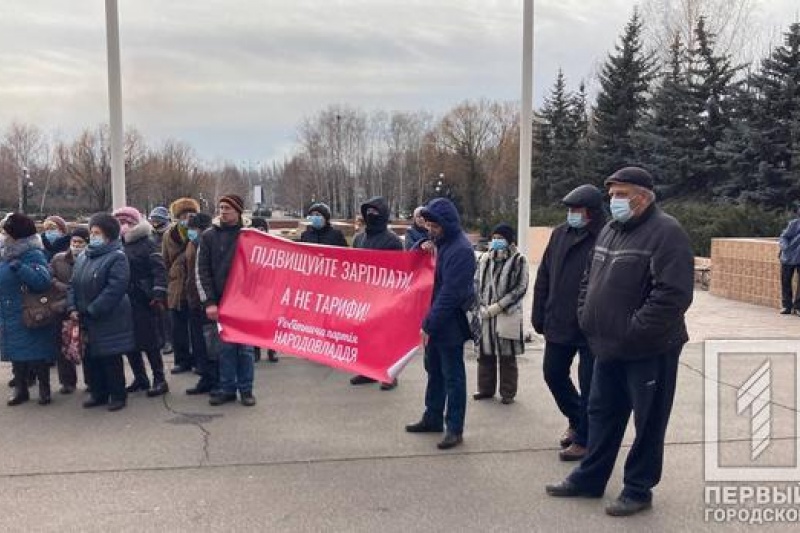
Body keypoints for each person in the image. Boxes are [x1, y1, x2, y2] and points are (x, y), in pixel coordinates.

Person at [545, 167, 694, 517]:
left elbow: (673, 295)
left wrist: (632, 330)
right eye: (611, 195)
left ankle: (638, 488)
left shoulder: (666, 232)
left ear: (643, 196)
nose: (614, 202)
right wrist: (586, 316)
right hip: (606, 345)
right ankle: (590, 478)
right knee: (601, 413)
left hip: (649, 348)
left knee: (648, 420)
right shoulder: (611, 230)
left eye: (621, 195)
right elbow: (588, 279)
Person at [533, 184, 606, 462]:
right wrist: (539, 313)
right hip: (559, 321)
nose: (572, 215)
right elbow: (545, 276)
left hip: (590, 326)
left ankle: (585, 439)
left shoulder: (605, 236)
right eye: (569, 210)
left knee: (590, 386)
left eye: (577, 210)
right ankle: (577, 419)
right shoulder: (559, 234)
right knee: (553, 374)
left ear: (592, 211)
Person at [405, 198, 476, 450]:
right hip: (434, 319)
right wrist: (419, 246)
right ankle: (432, 416)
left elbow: (450, 294)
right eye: (428, 226)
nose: (430, 230)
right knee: (434, 370)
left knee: (452, 376)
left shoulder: (461, 250)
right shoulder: (439, 244)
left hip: (450, 323)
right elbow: (413, 267)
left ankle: (454, 427)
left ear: (446, 224)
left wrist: (428, 325)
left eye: (434, 226)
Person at [68, 213, 135, 412]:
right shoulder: (84, 256)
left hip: (108, 317)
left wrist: (93, 309)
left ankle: (117, 394)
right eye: (92, 232)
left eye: (97, 233)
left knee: (110, 358)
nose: (93, 236)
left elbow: (115, 288)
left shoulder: (117, 257)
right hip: (85, 317)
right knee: (91, 358)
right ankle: (98, 392)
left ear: (108, 234)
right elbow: (73, 284)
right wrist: (72, 308)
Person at [196, 194, 257, 407]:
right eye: (221, 207)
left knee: (246, 349)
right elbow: (201, 271)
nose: (223, 211)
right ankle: (227, 388)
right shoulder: (209, 237)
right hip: (221, 302)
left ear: (238, 211)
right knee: (225, 348)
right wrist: (209, 302)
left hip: (246, 302)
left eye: (228, 208)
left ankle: (246, 389)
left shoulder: (249, 236)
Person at [0, 213, 58, 406]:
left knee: (36, 352)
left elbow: (42, 281)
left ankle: (44, 389)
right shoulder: (5, 253)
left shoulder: (33, 253)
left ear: (17, 234)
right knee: (17, 353)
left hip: (30, 311)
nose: (4, 235)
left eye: (7, 232)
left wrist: (21, 269)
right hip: (10, 311)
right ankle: (21, 389)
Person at [114, 207, 169, 397]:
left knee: (150, 341)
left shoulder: (147, 243)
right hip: (124, 300)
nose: (123, 226)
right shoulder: (118, 243)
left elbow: (159, 270)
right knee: (130, 342)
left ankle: (159, 379)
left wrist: (158, 293)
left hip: (145, 299)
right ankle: (140, 377)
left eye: (126, 222)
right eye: (119, 222)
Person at [349, 197, 403, 390]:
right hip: (363, 295)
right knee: (364, 335)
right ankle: (367, 370)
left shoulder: (393, 241)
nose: (371, 215)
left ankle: (390, 375)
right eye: (368, 212)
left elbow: (399, 272)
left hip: (385, 296)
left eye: (375, 212)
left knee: (385, 337)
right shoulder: (358, 239)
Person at [473, 223, 529, 405]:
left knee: (507, 356)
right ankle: (485, 389)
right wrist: (480, 305)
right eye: (494, 237)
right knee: (485, 353)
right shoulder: (484, 259)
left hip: (507, 313)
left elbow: (521, 287)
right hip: (485, 313)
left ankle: (508, 392)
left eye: (500, 238)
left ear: (509, 240)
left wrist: (499, 306)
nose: (496, 241)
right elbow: (475, 282)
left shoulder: (519, 260)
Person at [50, 226, 90, 394]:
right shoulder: (59, 259)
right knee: (63, 346)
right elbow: (50, 277)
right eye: (74, 241)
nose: (76, 245)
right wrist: (64, 288)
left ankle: (91, 381)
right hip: (62, 307)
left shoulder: (90, 258)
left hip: (83, 307)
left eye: (80, 242)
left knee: (87, 345)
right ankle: (67, 382)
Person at [163, 197, 201, 374]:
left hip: (193, 285)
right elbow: (165, 260)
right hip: (176, 286)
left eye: (191, 214)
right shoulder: (169, 234)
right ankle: (181, 360)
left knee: (195, 327)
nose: (188, 218)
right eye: (184, 214)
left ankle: (197, 360)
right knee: (177, 327)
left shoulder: (201, 233)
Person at [184, 213, 219, 394]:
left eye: (193, 228)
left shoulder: (207, 244)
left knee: (210, 343)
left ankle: (214, 379)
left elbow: (205, 273)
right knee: (198, 342)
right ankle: (205, 377)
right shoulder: (192, 243)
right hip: (193, 299)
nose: (190, 231)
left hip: (204, 300)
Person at [249, 217, 278, 363]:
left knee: (270, 321)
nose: (260, 231)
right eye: (256, 228)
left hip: (270, 288)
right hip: (254, 289)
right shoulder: (247, 245)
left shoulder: (273, 244)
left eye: (262, 228)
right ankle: (256, 349)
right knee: (255, 321)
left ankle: (272, 349)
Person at [778, 208, 800, 315]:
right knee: (786, 281)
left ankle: (798, 306)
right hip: (789, 257)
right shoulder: (794, 224)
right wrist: (785, 248)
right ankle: (787, 306)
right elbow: (783, 237)